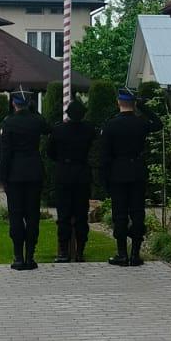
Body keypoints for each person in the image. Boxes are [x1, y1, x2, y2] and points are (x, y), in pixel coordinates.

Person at [99, 87, 151, 266]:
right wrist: (143, 107)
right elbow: (158, 123)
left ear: (118, 103)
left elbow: (104, 155)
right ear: (133, 104)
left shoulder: (110, 125)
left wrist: (104, 179)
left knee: (120, 214)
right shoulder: (141, 123)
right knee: (137, 213)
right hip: (137, 172)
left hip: (118, 173)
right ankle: (135, 254)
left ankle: (122, 254)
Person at [0, 89, 47, 271]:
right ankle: (30, 256)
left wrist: (3, 176)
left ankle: (18, 257)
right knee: (33, 215)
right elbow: (48, 127)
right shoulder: (36, 121)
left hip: (15, 174)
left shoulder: (8, 123)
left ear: (13, 103)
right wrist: (34, 111)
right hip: (34, 172)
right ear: (29, 103)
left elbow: (5, 153)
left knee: (16, 215)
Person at [45, 96, 98, 263]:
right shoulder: (89, 130)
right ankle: (80, 250)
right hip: (82, 174)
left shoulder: (58, 130)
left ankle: (63, 251)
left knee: (64, 215)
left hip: (64, 174)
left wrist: (62, 160)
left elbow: (50, 152)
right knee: (81, 214)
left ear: (68, 113)